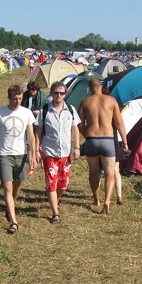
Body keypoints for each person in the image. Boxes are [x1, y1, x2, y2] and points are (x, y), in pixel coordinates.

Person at [0, 84, 37, 234]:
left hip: (21, 155)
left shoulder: (27, 113)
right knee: (7, 188)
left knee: (16, 187)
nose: (17, 102)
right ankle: (14, 222)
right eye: (15, 99)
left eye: (20, 99)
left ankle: (10, 209)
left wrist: (33, 155)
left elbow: (31, 136)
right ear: (9, 97)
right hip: (5, 155)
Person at [79, 78, 128, 215]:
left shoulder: (85, 102)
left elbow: (79, 125)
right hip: (108, 139)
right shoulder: (111, 101)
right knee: (110, 172)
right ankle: (107, 200)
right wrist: (124, 141)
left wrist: (87, 136)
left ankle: (97, 199)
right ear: (101, 87)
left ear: (89, 89)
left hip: (92, 139)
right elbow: (119, 124)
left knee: (93, 171)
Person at [34, 81, 81, 224]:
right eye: (56, 93)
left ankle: (56, 200)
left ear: (65, 94)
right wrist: (37, 149)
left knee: (63, 184)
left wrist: (77, 147)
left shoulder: (71, 110)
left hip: (65, 153)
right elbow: (38, 131)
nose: (58, 95)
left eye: (61, 93)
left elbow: (75, 129)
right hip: (49, 152)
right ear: (51, 93)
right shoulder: (44, 110)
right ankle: (55, 213)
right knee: (51, 183)